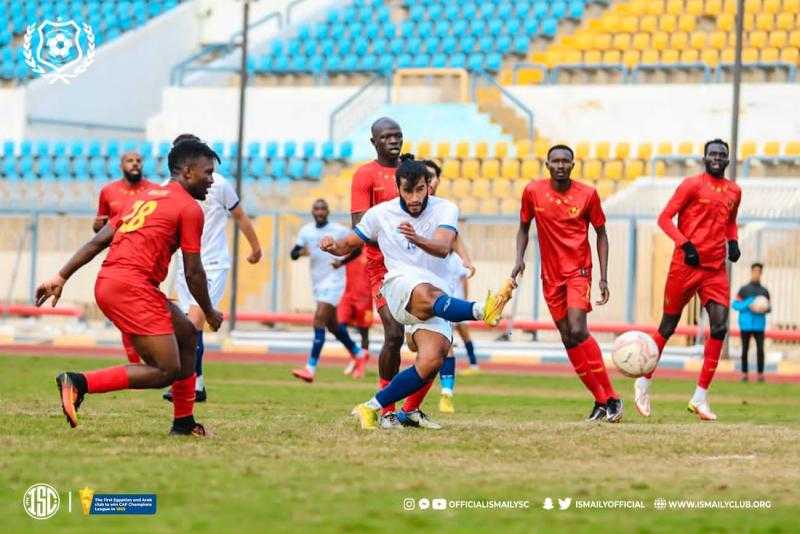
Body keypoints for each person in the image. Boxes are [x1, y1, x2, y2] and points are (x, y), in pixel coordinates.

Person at [36, 139, 224, 436]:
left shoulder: (144, 198)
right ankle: (78, 382)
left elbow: (99, 241)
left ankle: (184, 423)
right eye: (208, 173)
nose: (211, 180)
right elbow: (194, 272)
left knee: (187, 334)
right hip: (131, 287)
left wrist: (61, 276)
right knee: (165, 370)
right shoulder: (189, 209)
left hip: (115, 282)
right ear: (187, 171)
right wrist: (211, 312)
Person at [322, 155, 513, 429]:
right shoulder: (381, 213)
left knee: (433, 359)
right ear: (398, 188)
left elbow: (444, 247)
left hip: (435, 294)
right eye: (407, 191)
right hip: (399, 286)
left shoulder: (446, 209)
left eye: (420, 190)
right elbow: (349, 243)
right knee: (426, 294)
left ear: (429, 185)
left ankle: (371, 408)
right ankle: (482, 310)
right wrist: (332, 245)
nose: (414, 197)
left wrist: (416, 237)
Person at [511, 144, 623, 423]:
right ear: (547, 165)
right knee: (566, 337)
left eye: (565, 161)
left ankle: (612, 398)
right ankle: (599, 401)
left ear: (573, 165)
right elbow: (524, 228)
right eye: (555, 161)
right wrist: (519, 259)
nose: (560, 165)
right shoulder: (532, 192)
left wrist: (603, 276)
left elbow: (602, 234)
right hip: (550, 276)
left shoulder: (588, 194)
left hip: (578, 272)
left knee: (577, 329)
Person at [634, 139, 741, 421]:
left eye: (721, 155)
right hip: (685, 266)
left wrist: (733, 242)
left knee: (719, 327)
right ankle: (643, 382)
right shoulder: (691, 185)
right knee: (668, 327)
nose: (717, 158)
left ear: (727, 160)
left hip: (715, 270)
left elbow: (730, 221)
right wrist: (686, 244)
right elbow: (665, 219)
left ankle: (700, 397)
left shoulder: (734, 191)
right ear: (704, 158)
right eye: (712, 154)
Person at [162, 133, 262, 403]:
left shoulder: (218, 184)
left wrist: (256, 247)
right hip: (186, 264)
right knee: (189, 326)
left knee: (192, 324)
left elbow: (239, 215)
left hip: (213, 264)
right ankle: (198, 385)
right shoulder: (168, 188)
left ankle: (184, 385)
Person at [350, 117, 408, 428]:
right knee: (394, 334)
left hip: (417, 262)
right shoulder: (365, 175)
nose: (393, 141)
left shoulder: (410, 171)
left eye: (397, 135)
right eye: (386, 137)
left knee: (434, 341)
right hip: (382, 267)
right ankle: (386, 410)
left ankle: (412, 409)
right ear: (374, 142)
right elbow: (360, 226)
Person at [422, 159, 479, 415]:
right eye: (426, 177)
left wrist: (466, 259)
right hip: (414, 285)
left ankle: (446, 393)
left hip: (441, 287)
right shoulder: (404, 208)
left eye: (433, 177)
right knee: (419, 347)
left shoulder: (445, 209)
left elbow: (453, 237)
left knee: (445, 343)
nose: (430, 182)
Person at [290, 199, 367, 383]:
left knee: (318, 320)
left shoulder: (338, 230)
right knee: (333, 325)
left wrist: (341, 262)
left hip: (334, 280)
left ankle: (310, 368)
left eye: (323, 208)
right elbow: (293, 254)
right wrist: (301, 252)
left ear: (328, 211)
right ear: (312, 211)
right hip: (317, 282)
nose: (320, 212)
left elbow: (358, 248)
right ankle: (358, 352)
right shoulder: (306, 231)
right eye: (316, 208)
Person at [93, 151, 156, 364]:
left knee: (147, 308)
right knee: (124, 309)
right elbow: (100, 225)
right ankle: (134, 361)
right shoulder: (108, 191)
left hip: (148, 258)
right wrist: (97, 226)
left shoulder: (154, 191)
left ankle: (153, 356)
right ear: (121, 165)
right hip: (119, 256)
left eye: (139, 160)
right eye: (130, 161)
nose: (135, 164)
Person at [336, 247, 373, 376]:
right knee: (338, 327)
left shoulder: (371, 250)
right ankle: (356, 354)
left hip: (365, 298)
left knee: (364, 333)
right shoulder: (350, 249)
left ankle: (360, 366)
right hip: (348, 296)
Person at [733, 262, 770, 382]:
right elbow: (735, 305)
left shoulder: (764, 291)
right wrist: (749, 303)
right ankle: (744, 374)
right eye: (755, 271)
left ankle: (760, 374)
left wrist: (764, 308)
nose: (757, 274)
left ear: (761, 273)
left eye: (759, 272)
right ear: (751, 272)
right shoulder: (744, 290)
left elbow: (769, 308)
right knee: (745, 349)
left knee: (760, 350)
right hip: (746, 325)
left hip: (759, 325)